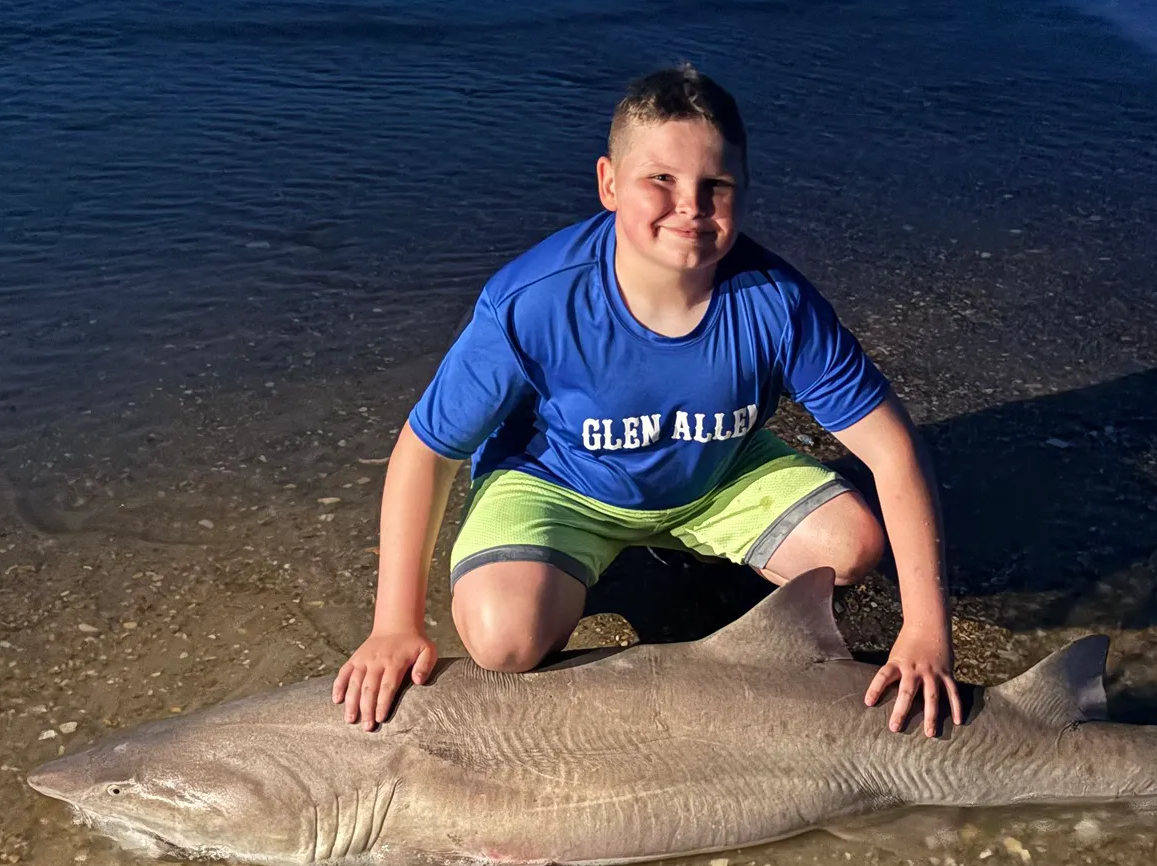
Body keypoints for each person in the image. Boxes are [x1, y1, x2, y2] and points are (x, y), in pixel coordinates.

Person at [334, 66, 961, 738]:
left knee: (851, 545)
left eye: (714, 186)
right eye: (659, 180)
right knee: (502, 640)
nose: (689, 205)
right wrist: (394, 625)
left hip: (713, 472)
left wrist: (926, 629)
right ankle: (569, 564)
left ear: (743, 192)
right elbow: (426, 451)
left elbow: (892, 451)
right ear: (609, 183)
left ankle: (689, 542)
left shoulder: (778, 304)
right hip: (559, 484)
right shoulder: (534, 302)